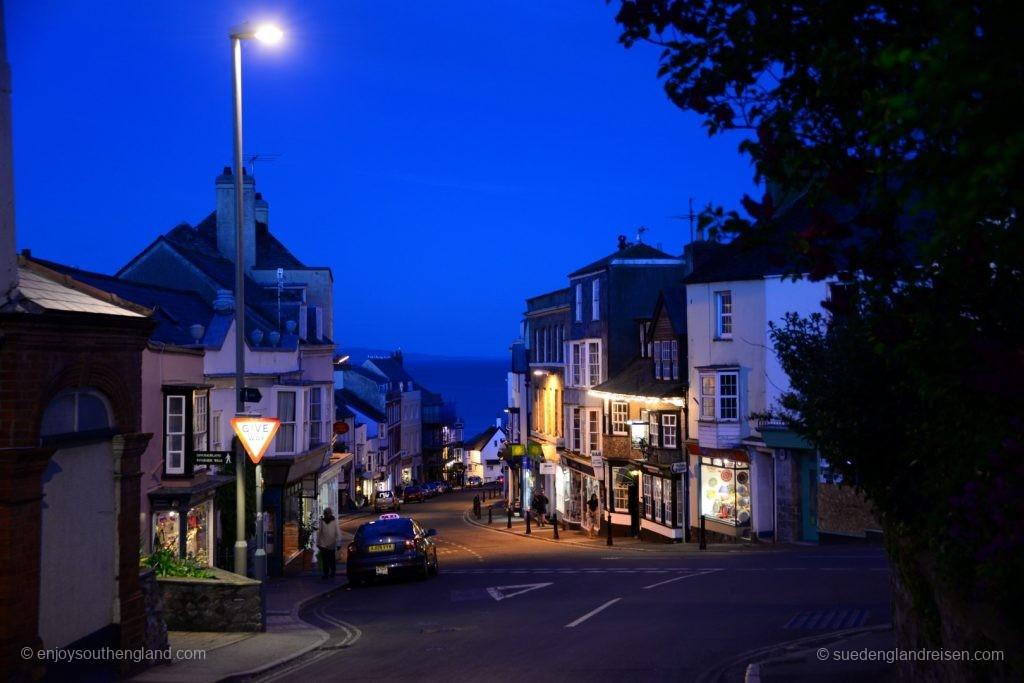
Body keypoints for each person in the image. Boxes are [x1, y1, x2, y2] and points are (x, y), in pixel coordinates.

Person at [317, 508, 341, 579]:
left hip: (331, 544)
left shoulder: (334, 521)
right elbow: (319, 532)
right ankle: (326, 573)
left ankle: (333, 571)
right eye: (325, 513)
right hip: (323, 544)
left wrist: (338, 543)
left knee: (331, 559)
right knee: (325, 560)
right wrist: (318, 542)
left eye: (327, 513)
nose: (326, 515)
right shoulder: (322, 521)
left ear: (330, 514)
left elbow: (338, 532)